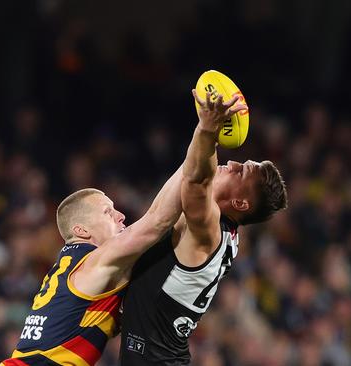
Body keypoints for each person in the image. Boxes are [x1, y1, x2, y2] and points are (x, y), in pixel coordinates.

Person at [0, 93, 247, 366]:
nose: (120, 215)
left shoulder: (77, 271)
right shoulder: (95, 261)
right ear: (81, 230)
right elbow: (157, 221)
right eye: (107, 211)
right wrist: (205, 133)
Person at [119, 90, 288, 365]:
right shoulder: (223, 230)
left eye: (240, 171)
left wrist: (207, 129)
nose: (231, 163)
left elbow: (196, 182)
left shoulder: (208, 231)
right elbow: (201, 173)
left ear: (240, 203)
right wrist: (210, 133)